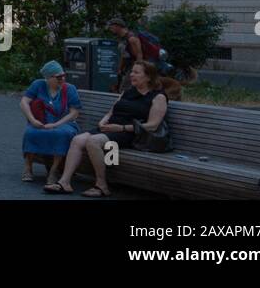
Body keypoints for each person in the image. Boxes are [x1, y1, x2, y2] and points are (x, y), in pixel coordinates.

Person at [47, 60, 170, 197]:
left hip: (131, 134)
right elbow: (111, 112)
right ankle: (64, 182)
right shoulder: (128, 92)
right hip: (110, 129)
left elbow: (153, 125)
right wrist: (102, 122)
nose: (131, 75)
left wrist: (121, 128)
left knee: (93, 141)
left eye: (136, 72)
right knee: (77, 139)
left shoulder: (158, 97)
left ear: (148, 77)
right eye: (131, 72)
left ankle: (101, 185)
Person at [20, 60, 82, 184]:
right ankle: (28, 167)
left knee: (62, 134)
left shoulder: (70, 89)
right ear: (48, 78)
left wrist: (55, 125)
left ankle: (54, 170)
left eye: (64, 75)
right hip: (42, 122)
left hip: (64, 123)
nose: (62, 79)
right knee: (31, 132)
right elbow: (24, 102)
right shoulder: (38, 85)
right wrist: (33, 120)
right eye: (58, 77)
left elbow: (74, 113)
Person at [107, 17, 165, 89]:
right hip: (130, 66)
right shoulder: (122, 38)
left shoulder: (132, 38)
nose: (110, 29)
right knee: (128, 87)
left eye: (111, 27)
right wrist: (120, 68)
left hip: (138, 65)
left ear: (117, 26)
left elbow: (139, 55)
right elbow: (124, 54)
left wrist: (137, 70)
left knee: (125, 88)